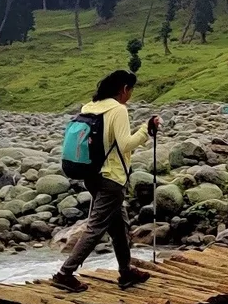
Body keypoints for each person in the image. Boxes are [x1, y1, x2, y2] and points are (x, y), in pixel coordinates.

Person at [50, 70, 160, 292]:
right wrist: (146, 131)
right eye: (130, 90)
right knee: (96, 227)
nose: (130, 95)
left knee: (119, 227)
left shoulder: (89, 107)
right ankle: (65, 273)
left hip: (92, 175)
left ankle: (126, 272)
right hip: (111, 178)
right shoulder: (118, 109)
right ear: (124, 89)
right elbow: (125, 144)